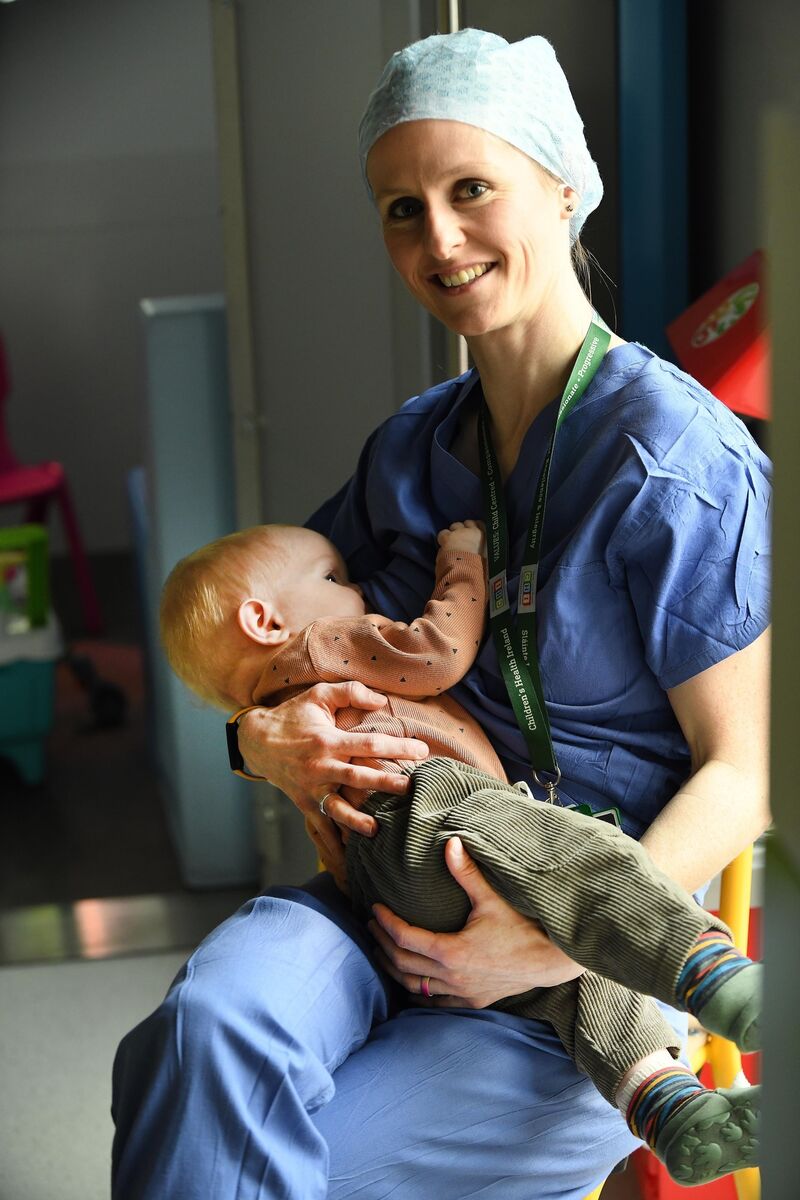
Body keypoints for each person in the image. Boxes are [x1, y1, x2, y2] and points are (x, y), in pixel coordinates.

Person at [111, 28, 771, 1200]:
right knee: (194, 1038)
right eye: (400, 207)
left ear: (562, 187)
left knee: (258, 1157)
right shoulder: (414, 449)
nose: (439, 238)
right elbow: (271, 646)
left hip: (574, 973)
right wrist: (254, 742)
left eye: (472, 188)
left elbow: (746, 772)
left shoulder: (670, 462)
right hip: (385, 885)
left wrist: (553, 937)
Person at [156, 518, 760, 1184]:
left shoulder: (285, 697)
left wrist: (247, 736)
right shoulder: (325, 645)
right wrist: (462, 562)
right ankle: (708, 971)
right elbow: (437, 651)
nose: (359, 589)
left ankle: (669, 1108)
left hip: (382, 882)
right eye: (335, 579)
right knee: (577, 858)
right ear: (266, 621)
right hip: (428, 808)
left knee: (573, 991)